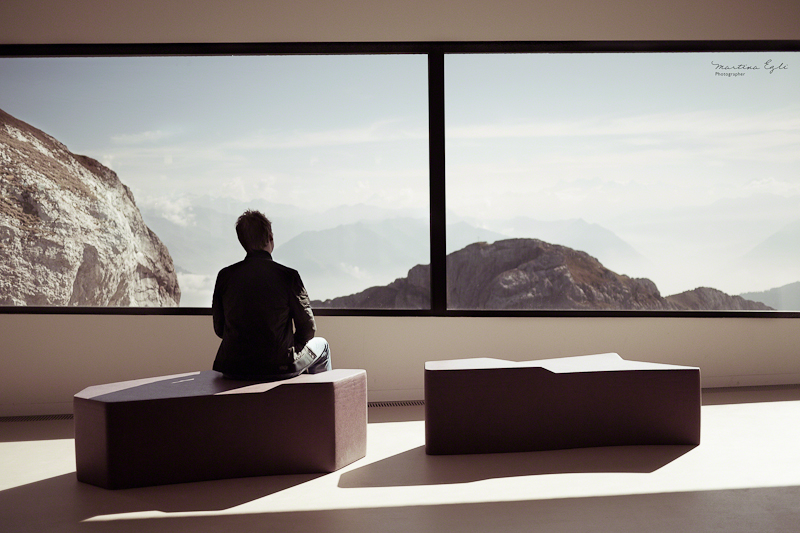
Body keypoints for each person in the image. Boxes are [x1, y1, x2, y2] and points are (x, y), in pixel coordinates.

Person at [212, 209, 331, 380]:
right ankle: (320, 404)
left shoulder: (225, 276)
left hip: (232, 366)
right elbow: (308, 328)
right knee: (323, 346)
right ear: (270, 237)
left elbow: (219, 328)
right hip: (279, 365)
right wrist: (291, 349)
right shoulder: (288, 276)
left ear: (242, 241)